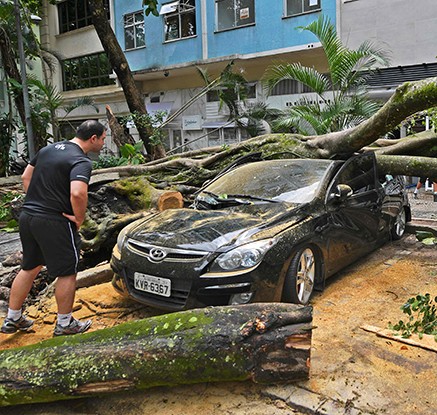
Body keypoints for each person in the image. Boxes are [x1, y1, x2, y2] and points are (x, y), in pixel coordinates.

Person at [1, 120, 107, 336]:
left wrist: (37, 200)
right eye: (103, 138)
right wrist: (78, 218)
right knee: (68, 271)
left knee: (30, 266)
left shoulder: (48, 149)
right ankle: (65, 323)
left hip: (28, 216)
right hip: (55, 221)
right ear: (93, 138)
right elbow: (78, 193)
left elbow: (25, 177)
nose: (104, 143)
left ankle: (12, 317)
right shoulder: (81, 160)